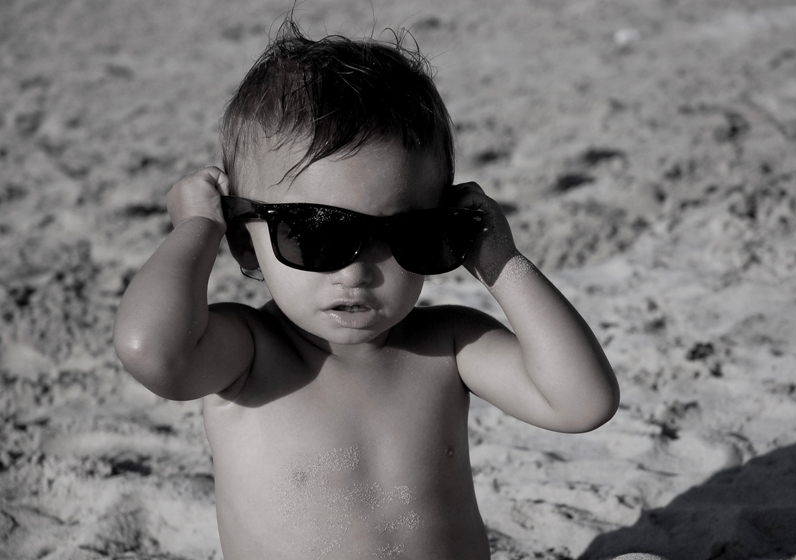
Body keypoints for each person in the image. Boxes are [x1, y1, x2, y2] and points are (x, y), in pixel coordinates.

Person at [113, 19, 620, 560]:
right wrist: (197, 227)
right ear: (243, 242)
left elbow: (582, 403)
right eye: (314, 236)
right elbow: (152, 352)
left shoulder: (448, 345)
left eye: (404, 234)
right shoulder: (250, 355)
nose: (355, 272)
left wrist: (502, 263)